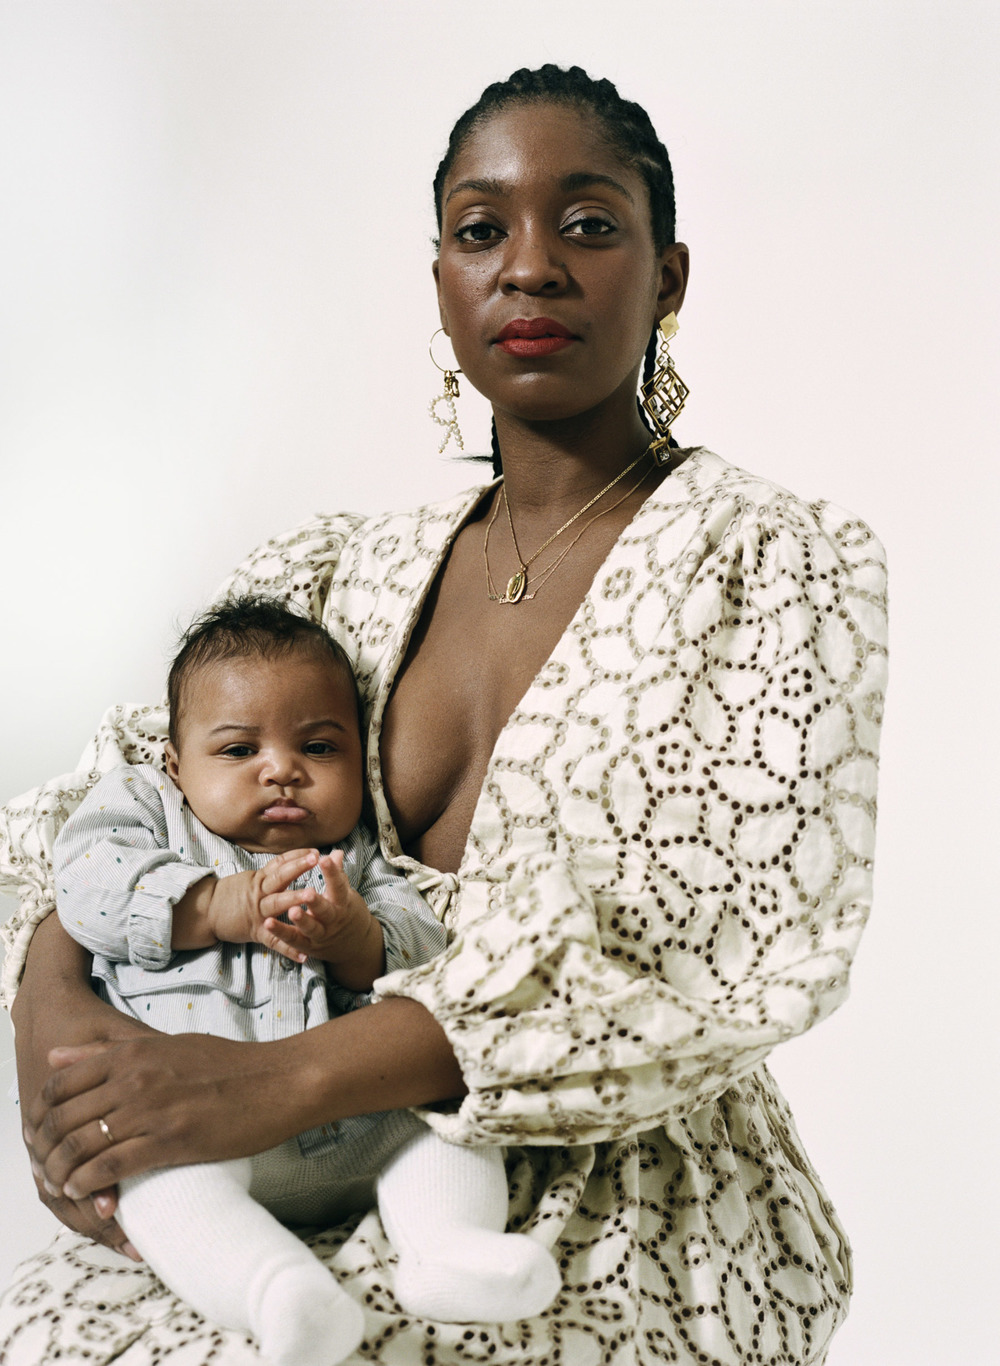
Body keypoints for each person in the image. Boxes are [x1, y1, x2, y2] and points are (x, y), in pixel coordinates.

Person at [0, 64, 888, 1366]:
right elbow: (108, 805)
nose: (529, 266)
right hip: (279, 1173)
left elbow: (722, 941)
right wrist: (57, 1032)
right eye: (482, 229)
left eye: (586, 224)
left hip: (612, 1201)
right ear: (440, 281)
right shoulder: (336, 573)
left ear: (670, 277)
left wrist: (259, 1083)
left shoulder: (771, 563)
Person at [49, 595, 560, 1366]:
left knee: (443, 1129)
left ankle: (448, 1249)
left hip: (350, 1121)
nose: (282, 770)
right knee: (151, 1180)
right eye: (237, 749)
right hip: (195, 1131)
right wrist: (215, 904)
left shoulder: (356, 860)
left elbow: (431, 960)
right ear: (174, 764)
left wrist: (358, 938)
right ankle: (278, 1292)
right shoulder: (147, 814)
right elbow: (84, 885)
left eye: (319, 748)